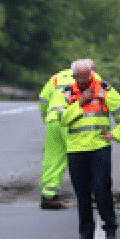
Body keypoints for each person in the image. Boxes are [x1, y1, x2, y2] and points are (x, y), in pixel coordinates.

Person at [45, 59, 120, 239]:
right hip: (76, 150)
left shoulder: (104, 89)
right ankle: (86, 233)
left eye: (88, 75)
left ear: (91, 73)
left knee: (102, 190)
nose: (85, 79)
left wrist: (116, 134)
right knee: (82, 194)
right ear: (74, 76)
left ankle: (110, 230)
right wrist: (80, 103)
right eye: (81, 76)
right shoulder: (65, 93)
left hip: (99, 148)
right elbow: (63, 120)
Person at [36, 66, 98, 209]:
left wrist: (47, 118)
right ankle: (93, 194)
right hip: (73, 120)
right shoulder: (92, 77)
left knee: (53, 157)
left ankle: (48, 195)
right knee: (84, 155)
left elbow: (43, 100)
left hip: (53, 120)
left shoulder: (57, 77)